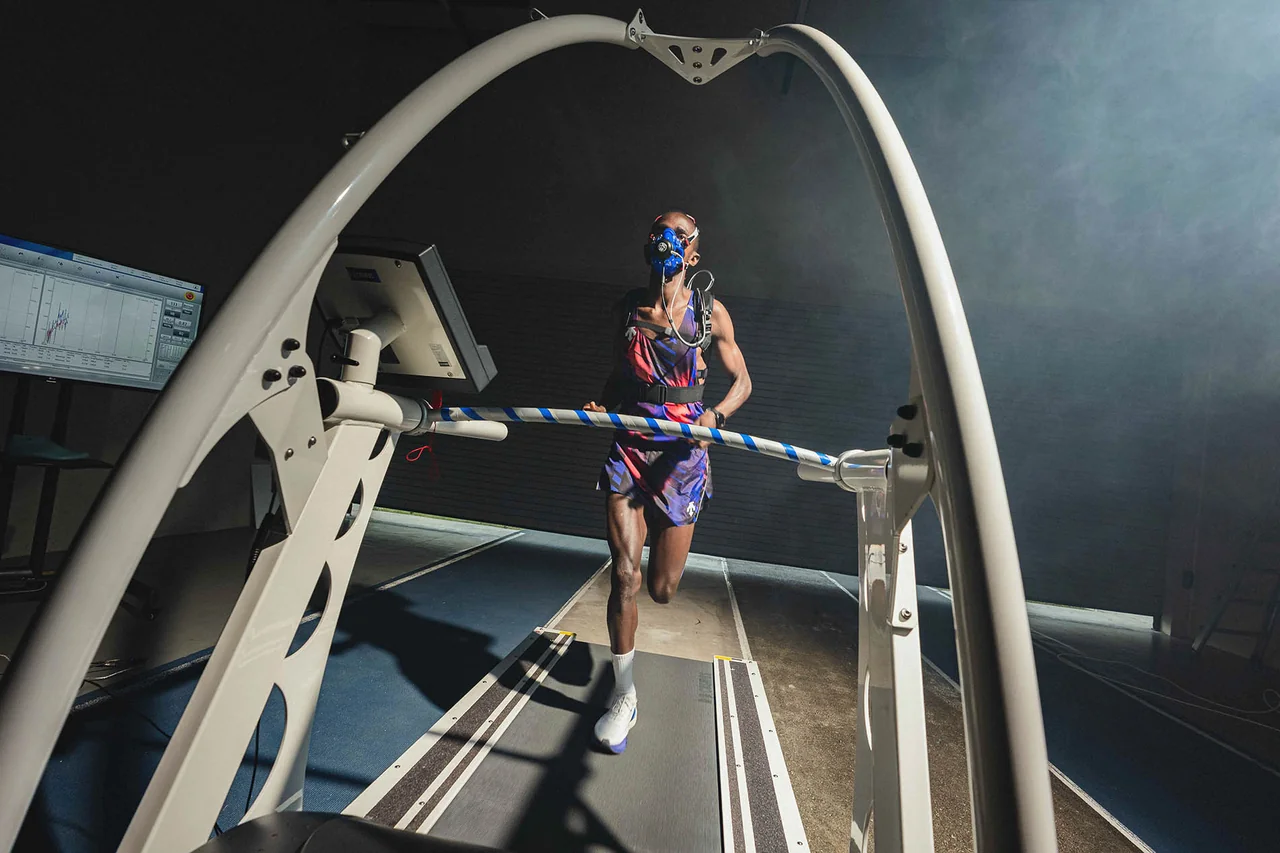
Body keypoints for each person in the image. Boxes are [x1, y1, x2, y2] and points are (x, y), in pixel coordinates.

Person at [583, 210, 752, 753]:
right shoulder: (628, 309)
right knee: (625, 577)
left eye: (679, 234)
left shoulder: (708, 312)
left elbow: (743, 380)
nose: (666, 239)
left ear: (693, 253)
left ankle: (663, 535)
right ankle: (624, 696)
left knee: (661, 589)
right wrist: (603, 404)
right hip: (630, 449)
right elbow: (618, 376)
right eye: (660, 230)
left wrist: (716, 417)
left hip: (683, 456)